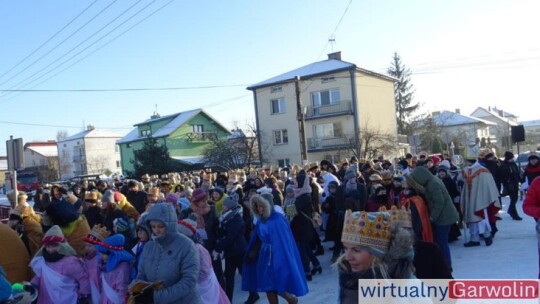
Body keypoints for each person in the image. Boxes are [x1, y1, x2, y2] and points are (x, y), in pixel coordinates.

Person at [338, 209, 416, 303]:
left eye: (356, 250)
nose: (347, 257)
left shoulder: (407, 291)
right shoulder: (348, 278)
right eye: (345, 248)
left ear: (377, 254)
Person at [242, 194, 307, 304]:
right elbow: (258, 238)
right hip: (264, 255)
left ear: (267, 205)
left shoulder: (278, 219)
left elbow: (283, 241)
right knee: (268, 284)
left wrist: (279, 258)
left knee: (277, 281)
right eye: (256, 206)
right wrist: (253, 252)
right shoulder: (260, 220)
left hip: (278, 255)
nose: (259, 209)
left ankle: (291, 299)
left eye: (261, 206)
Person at [135, 203, 200, 303]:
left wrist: (157, 297)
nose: (157, 230)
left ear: (170, 225)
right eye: (153, 226)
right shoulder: (149, 246)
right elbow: (141, 274)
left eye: (161, 226)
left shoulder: (187, 246)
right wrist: (137, 290)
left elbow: (189, 281)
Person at [406, 166, 458, 270]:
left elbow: (439, 201)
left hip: (444, 217)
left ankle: (447, 265)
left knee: (442, 242)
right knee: (441, 241)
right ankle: (445, 263)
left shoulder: (433, 184)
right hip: (444, 215)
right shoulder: (432, 181)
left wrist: (432, 217)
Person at [30, 225, 90, 304]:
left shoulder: (70, 262)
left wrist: (83, 296)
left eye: (54, 245)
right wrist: (32, 285)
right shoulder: (43, 261)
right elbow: (39, 276)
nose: (50, 249)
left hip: (68, 299)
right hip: (47, 298)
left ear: (62, 245)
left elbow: (83, 278)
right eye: (47, 245)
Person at [177, 215, 230, 304]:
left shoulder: (198, 249)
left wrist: (185, 277)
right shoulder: (182, 249)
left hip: (205, 290)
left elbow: (204, 273)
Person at [460, 154, 501, 246]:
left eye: (466, 161)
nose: (465, 163)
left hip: (481, 198)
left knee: (481, 217)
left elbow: (488, 185)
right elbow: (462, 180)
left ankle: (487, 235)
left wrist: (484, 196)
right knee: (471, 218)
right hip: (469, 198)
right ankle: (474, 239)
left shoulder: (483, 170)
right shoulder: (465, 170)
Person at [290, 170, 321, 282]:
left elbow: (292, 211)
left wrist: (287, 207)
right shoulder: (302, 193)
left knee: (302, 250)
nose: (295, 184)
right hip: (302, 226)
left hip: (303, 227)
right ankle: (317, 265)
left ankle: (306, 272)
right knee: (306, 248)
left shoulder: (303, 196)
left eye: (297, 182)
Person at [215, 193, 247, 302]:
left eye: (224, 206)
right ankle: (228, 300)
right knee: (229, 277)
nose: (222, 207)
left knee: (244, 274)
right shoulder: (225, 217)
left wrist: (218, 247)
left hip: (238, 251)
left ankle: (253, 293)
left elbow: (231, 236)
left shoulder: (236, 218)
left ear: (229, 207)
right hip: (230, 252)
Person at [96, 234, 134, 304]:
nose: (102, 256)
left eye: (105, 253)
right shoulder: (104, 266)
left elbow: (122, 289)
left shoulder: (123, 267)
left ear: (113, 254)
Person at [497, 151, 523, 220]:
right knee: (513, 198)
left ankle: (510, 210)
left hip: (515, 183)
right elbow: (503, 176)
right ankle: (514, 214)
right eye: (511, 158)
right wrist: (507, 183)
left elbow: (517, 173)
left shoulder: (513, 164)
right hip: (509, 184)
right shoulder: (504, 166)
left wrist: (520, 180)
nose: (512, 159)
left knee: (515, 198)